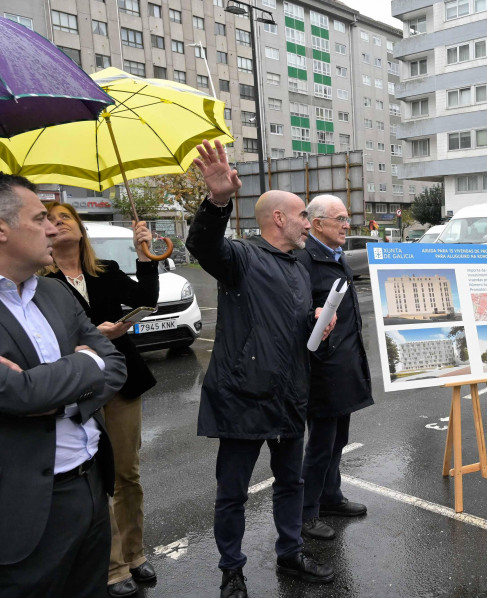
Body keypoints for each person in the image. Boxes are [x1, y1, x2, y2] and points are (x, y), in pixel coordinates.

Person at [186, 140, 337, 598]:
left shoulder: (296, 265)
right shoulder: (240, 257)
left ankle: (290, 553)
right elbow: (203, 244)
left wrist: (315, 323)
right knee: (232, 492)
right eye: (302, 217)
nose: (308, 224)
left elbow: (288, 322)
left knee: (290, 482)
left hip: (290, 393)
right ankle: (231, 570)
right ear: (278, 219)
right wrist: (217, 201)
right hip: (242, 398)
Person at [0, 173, 127, 597]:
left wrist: (55, 395)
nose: (53, 227)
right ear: (2, 230)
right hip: (24, 509)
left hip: (89, 487)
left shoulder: (54, 292)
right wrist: (81, 367)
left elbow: (112, 364)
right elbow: (17, 393)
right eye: (39, 219)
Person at [42, 202, 159, 598]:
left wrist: (145, 255)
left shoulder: (105, 269)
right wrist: (95, 336)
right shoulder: (42, 281)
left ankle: (135, 553)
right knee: (97, 479)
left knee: (127, 473)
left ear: (79, 227)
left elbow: (147, 296)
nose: (57, 224)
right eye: (50, 220)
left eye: (64, 218)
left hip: (121, 381)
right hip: (79, 388)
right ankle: (112, 567)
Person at [296, 195, 374, 541]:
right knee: (321, 443)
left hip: (343, 363)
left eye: (347, 219)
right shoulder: (305, 260)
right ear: (317, 224)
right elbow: (299, 315)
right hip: (321, 368)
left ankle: (330, 496)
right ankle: (306, 512)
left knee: (338, 439)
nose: (347, 225)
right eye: (340, 219)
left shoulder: (334, 256)